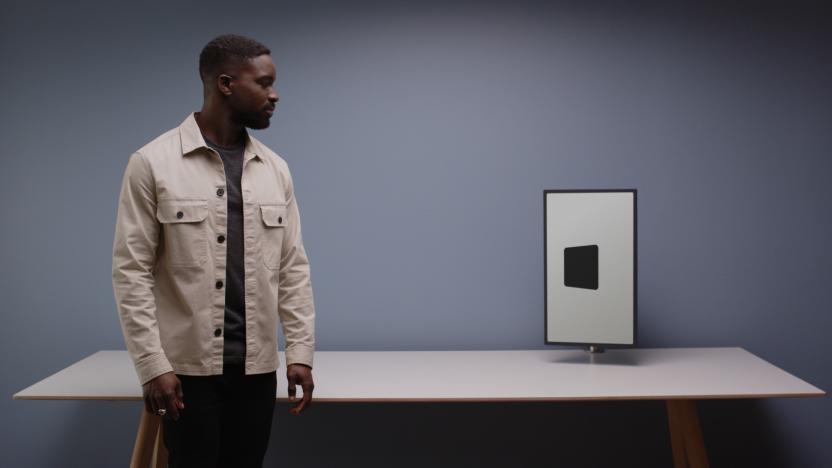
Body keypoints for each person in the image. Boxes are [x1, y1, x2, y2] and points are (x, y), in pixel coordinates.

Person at [111, 34, 316, 468]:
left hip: (256, 371)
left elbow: (292, 268)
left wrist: (299, 352)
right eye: (263, 83)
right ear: (225, 84)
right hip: (187, 374)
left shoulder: (275, 170)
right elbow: (131, 271)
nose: (274, 94)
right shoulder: (152, 163)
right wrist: (152, 365)